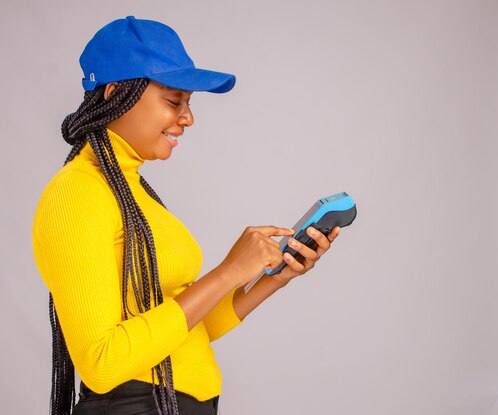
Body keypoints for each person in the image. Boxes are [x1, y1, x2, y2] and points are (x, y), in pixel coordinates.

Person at [32, 16, 341, 415]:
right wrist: (227, 272)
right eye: (173, 101)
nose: (188, 117)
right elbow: (101, 363)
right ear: (115, 94)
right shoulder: (76, 193)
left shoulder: (134, 194)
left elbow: (190, 331)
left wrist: (274, 277)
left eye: (189, 104)